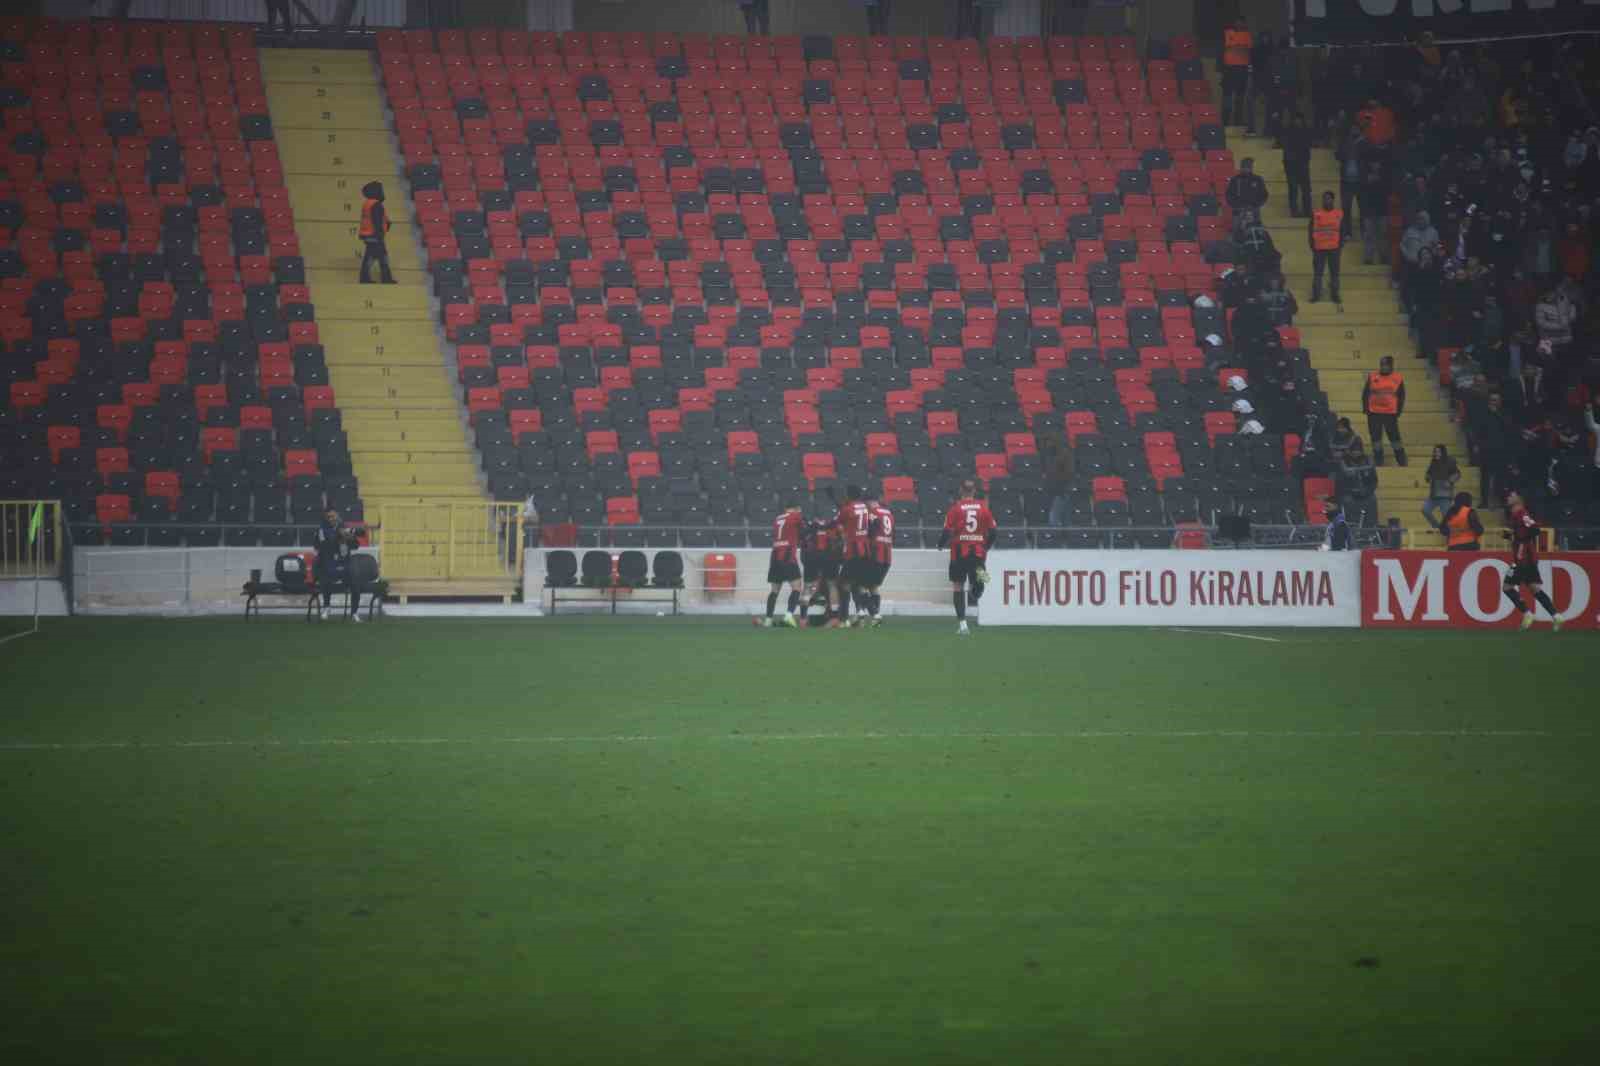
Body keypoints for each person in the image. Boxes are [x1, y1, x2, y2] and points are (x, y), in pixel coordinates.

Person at [938, 479, 996, 636]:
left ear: (960, 491)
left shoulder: (955, 509)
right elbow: (994, 531)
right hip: (978, 552)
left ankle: (963, 625)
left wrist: (940, 544)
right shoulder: (984, 509)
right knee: (983, 577)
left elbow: (947, 531)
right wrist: (986, 547)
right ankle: (976, 590)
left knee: (958, 586)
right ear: (974, 491)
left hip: (958, 553)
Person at [1500, 491, 1564, 631]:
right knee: (1534, 588)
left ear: (1519, 500)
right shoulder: (1517, 515)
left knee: (1507, 587)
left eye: (1512, 495)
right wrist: (1513, 535)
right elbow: (1524, 532)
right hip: (1528, 559)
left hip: (1523, 559)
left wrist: (1519, 537)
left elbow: (1534, 529)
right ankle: (1556, 615)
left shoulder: (1522, 514)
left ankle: (1527, 613)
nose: (1508, 497)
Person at [756, 501, 803, 629]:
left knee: (774, 590)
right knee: (797, 587)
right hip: (787, 555)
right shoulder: (796, 516)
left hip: (775, 555)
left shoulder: (778, 518)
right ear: (795, 508)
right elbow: (803, 528)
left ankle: (768, 620)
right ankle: (788, 616)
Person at [833, 485, 873, 628]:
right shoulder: (864, 507)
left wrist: (843, 534)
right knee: (857, 583)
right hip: (865, 551)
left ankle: (844, 620)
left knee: (842, 584)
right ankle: (862, 613)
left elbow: (838, 523)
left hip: (853, 551)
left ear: (848, 495)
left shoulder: (847, 509)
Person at [1362, 355, 1408, 466]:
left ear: (1391, 366)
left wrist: (1398, 412)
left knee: (1394, 438)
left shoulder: (1397, 378)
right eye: (1382, 364)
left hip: (1390, 414)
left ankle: (1401, 460)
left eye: (1386, 365)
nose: (1383, 367)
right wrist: (1366, 409)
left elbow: (1401, 396)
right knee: (1376, 439)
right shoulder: (1373, 376)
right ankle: (1378, 461)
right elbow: (1365, 393)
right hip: (1374, 413)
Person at [857, 491, 894, 628]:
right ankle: (875, 621)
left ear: (868, 502)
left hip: (874, 554)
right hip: (887, 556)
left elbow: (871, 530)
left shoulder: (872, 513)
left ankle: (875, 615)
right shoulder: (889, 513)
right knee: (873, 586)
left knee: (861, 586)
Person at [800, 515, 840, 626]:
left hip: (812, 557)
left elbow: (803, 544)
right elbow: (838, 542)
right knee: (832, 585)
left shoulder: (810, 527)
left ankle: (803, 618)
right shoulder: (832, 526)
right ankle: (834, 617)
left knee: (808, 586)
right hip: (829, 557)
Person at [1309, 190, 1344, 304]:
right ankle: (1316, 295)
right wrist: (1312, 245)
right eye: (1324, 198)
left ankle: (1335, 295)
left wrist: (1340, 246)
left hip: (1334, 248)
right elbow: (1310, 231)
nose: (1326, 200)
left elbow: (1342, 231)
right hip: (1319, 248)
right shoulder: (1316, 214)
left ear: (1333, 200)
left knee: (1334, 273)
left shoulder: (1339, 214)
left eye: (1328, 198)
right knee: (1318, 273)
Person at [358, 180, 395, 284]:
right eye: (380, 190)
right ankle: (384, 279)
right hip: (374, 236)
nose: (382, 192)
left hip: (368, 235)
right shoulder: (376, 204)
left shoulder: (368, 203)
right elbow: (377, 222)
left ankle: (379, 278)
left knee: (376, 256)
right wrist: (380, 235)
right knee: (378, 257)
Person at [1220, 16, 1251, 129]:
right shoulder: (1228, 33)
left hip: (1242, 69)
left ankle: (1238, 122)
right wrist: (1240, 47)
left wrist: (1235, 46)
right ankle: (1225, 122)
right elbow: (1228, 47)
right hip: (1229, 69)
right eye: (1237, 22)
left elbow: (1246, 49)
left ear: (1244, 23)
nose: (1239, 24)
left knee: (1240, 97)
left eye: (1241, 22)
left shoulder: (1247, 35)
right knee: (1227, 97)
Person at [1280, 112, 1313, 218]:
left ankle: (1307, 210)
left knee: (1306, 189)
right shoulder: (1288, 133)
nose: (1298, 121)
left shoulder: (1306, 132)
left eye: (1299, 119)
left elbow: (1307, 150)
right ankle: (1294, 211)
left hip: (1302, 164)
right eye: (1296, 119)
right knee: (1293, 189)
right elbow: (1286, 151)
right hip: (1292, 165)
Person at [1421, 444, 1460, 529]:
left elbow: (1457, 474)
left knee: (1447, 517)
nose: (1436, 453)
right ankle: (1436, 526)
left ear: (1443, 452)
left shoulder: (1449, 462)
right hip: (1434, 494)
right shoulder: (1433, 463)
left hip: (1445, 495)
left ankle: (1450, 533)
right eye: (1435, 452)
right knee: (1425, 510)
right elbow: (1428, 474)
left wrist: (1449, 481)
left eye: (1438, 452)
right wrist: (1427, 478)